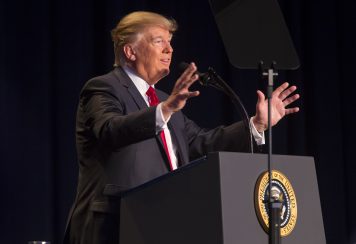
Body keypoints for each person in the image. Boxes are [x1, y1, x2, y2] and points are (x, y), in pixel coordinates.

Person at [64, 11, 300, 244]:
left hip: (164, 225)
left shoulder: (164, 100)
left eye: (170, 42)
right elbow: (110, 130)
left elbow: (202, 144)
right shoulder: (104, 88)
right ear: (130, 51)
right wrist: (165, 110)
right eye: (159, 42)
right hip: (114, 226)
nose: (169, 49)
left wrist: (256, 124)